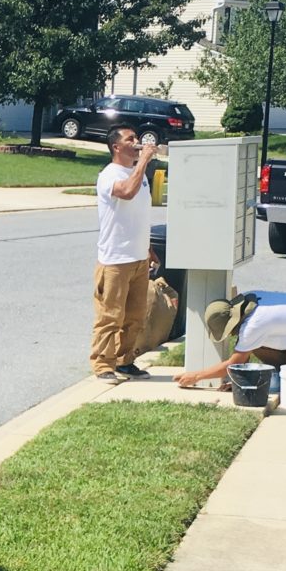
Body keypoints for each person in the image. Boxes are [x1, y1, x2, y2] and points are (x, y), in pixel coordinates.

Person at [90, 125, 158, 382]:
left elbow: (138, 215)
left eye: (137, 138)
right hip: (115, 260)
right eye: (131, 139)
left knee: (135, 316)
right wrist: (143, 162)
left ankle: (125, 360)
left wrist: (149, 249)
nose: (137, 142)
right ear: (116, 147)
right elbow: (127, 193)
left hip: (139, 257)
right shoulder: (109, 175)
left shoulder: (137, 173)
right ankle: (102, 364)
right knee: (110, 316)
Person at [174, 290, 286, 393]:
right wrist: (239, 381)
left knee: (285, 387)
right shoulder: (248, 300)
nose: (231, 335)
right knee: (253, 350)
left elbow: (233, 364)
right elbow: (240, 361)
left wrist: (195, 376)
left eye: (229, 331)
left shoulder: (254, 325)